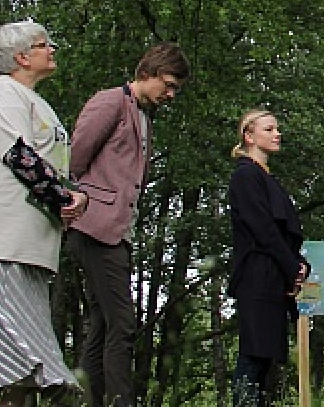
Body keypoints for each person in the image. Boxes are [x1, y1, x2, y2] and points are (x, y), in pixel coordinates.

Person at [0, 20, 89, 407]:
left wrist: (71, 196)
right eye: (45, 45)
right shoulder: (2, 95)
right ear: (21, 57)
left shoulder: (36, 102)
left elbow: (51, 163)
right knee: (11, 331)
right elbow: (20, 157)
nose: (53, 49)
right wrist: (63, 198)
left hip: (29, 237)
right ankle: (53, 379)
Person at [68, 42, 191, 407]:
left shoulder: (144, 115)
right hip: (94, 228)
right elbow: (74, 159)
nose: (170, 94)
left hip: (117, 232)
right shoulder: (110, 102)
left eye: (175, 90)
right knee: (122, 323)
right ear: (146, 73)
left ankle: (92, 400)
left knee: (104, 324)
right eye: (167, 85)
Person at [228, 109, 309, 407]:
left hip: (275, 277)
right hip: (257, 276)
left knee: (265, 362)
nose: (277, 134)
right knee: (254, 355)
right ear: (249, 136)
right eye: (269, 129)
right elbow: (261, 228)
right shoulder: (245, 176)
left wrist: (298, 265)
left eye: (277, 128)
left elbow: (283, 233)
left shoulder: (268, 179)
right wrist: (291, 267)